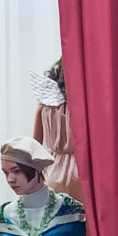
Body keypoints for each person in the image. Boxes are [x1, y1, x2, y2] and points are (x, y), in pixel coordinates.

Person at [31, 59, 84, 202]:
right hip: (81, 171)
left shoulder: (44, 106)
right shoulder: (86, 107)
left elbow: (35, 145)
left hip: (52, 171)